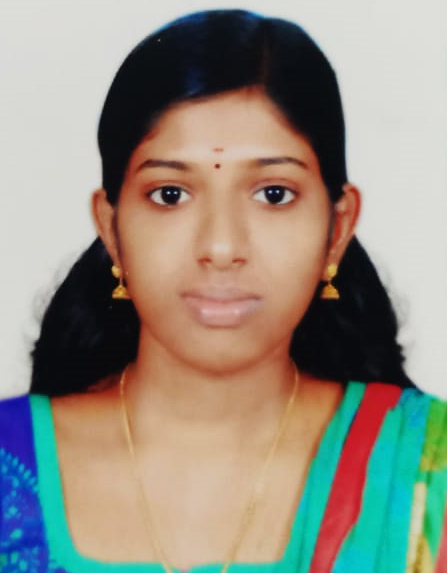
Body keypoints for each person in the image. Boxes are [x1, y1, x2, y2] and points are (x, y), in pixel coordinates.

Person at [0, 9, 446, 573]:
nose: (220, 246)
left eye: (273, 194)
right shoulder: (8, 464)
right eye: (170, 194)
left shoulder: (426, 476)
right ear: (111, 230)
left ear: (337, 229)